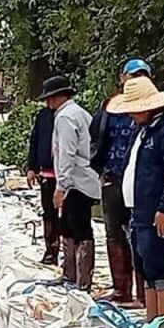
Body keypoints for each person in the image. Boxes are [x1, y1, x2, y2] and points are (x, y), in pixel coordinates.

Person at [107, 76, 164, 322]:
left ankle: (163, 322)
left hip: (156, 212)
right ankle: (151, 321)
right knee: (146, 267)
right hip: (138, 210)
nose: (132, 115)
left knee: (160, 266)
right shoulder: (142, 132)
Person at [90, 58, 153, 308]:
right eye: (132, 75)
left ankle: (143, 295)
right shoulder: (110, 108)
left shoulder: (153, 110)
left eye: (141, 75)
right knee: (114, 234)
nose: (135, 79)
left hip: (139, 182)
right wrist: (100, 168)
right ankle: (121, 291)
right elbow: (96, 138)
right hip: (113, 178)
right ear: (122, 79)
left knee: (139, 236)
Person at [40, 76, 102, 292]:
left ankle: (82, 281)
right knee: (67, 225)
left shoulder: (66, 118)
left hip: (78, 181)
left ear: (58, 97)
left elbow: (66, 152)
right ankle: (70, 274)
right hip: (83, 178)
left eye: (50, 99)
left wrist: (61, 185)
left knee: (79, 227)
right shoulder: (80, 113)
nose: (48, 104)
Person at [27, 101, 59, 265]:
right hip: (46, 173)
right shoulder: (43, 116)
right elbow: (35, 140)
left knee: (68, 217)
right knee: (49, 213)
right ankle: (51, 251)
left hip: (67, 176)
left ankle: (70, 261)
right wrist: (31, 168)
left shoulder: (68, 116)